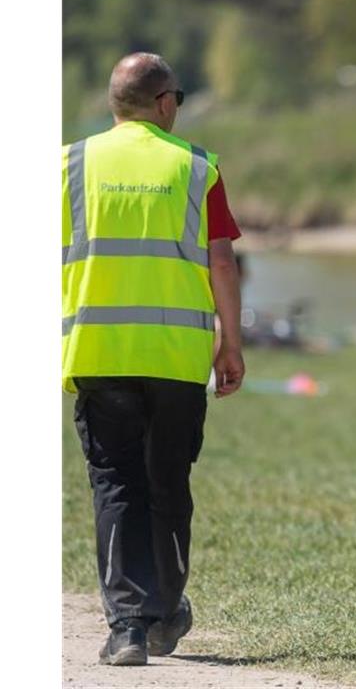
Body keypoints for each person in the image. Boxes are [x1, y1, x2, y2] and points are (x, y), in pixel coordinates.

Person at [63, 53, 244, 666]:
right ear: (164, 102)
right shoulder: (196, 166)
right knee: (168, 484)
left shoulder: (69, 165)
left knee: (116, 486)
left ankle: (127, 630)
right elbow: (222, 261)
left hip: (99, 350)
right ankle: (164, 612)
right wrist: (232, 342)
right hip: (174, 357)